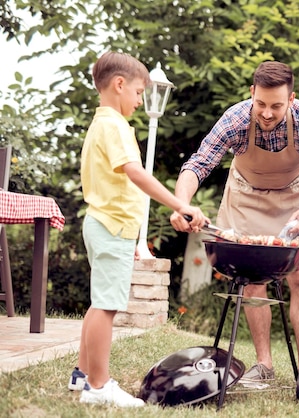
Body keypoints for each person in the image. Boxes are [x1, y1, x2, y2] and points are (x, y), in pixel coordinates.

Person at [170, 61, 299, 389]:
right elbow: (199, 162)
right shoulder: (236, 118)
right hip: (245, 198)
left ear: (291, 99)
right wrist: (183, 204)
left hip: (294, 200)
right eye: (260, 103)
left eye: (276, 105)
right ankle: (264, 364)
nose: (266, 113)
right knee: (251, 281)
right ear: (252, 93)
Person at [69, 51, 207, 407]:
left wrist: (131, 236)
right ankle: (99, 387)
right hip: (109, 226)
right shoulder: (114, 125)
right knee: (107, 306)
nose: (139, 99)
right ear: (118, 85)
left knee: (99, 302)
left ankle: (82, 376)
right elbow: (135, 173)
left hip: (107, 225)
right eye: (138, 91)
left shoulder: (102, 123)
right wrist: (181, 205)